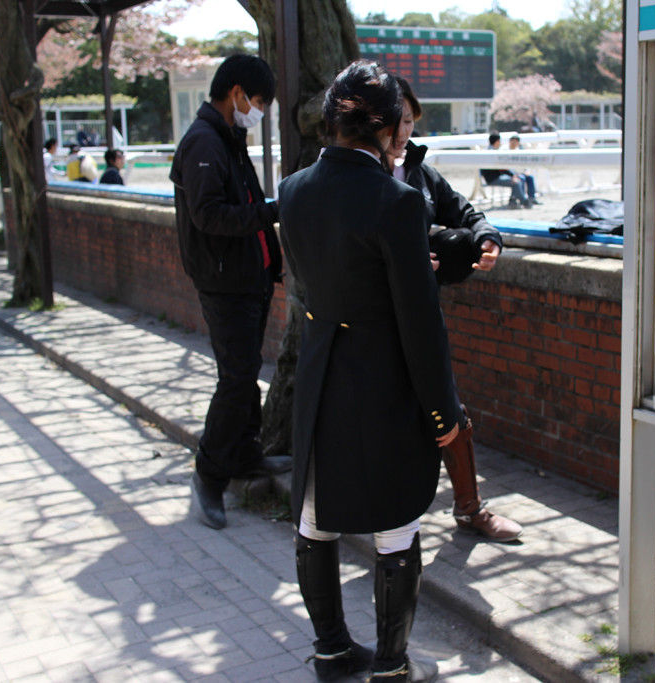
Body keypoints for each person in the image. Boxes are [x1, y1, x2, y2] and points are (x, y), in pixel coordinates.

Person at [279, 61, 461, 682]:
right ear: (385, 129)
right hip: (382, 379)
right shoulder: (397, 201)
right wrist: (443, 411)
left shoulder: (293, 189)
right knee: (396, 521)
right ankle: (390, 664)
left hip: (320, 372)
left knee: (314, 515)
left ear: (333, 119)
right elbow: (420, 320)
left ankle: (331, 651)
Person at [388, 76, 523, 543]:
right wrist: (397, 266)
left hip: (421, 315)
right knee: (382, 418)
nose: (403, 132)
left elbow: (466, 212)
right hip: (371, 322)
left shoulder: (420, 172)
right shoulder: (355, 178)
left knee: (448, 408)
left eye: (409, 121)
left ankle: (469, 508)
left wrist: (487, 238)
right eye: (395, 122)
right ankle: (373, 518)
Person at [170, 54, 290, 531]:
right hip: (224, 282)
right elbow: (210, 215)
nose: (258, 111)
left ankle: (245, 455)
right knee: (236, 378)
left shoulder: (227, 138)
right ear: (236, 93)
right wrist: (273, 211)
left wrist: (271, 258)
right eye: (257, 101)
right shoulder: (204, 141)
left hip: (248, 278)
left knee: (245, 372)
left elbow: (246, 203)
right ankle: (209, 473)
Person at [481, 132, 530, 208]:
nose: (500, 143)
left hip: (493, 177)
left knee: (516, 180)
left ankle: (513, 202)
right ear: (497, 141)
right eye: (499, 141)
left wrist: (512, 175)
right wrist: (512, 175)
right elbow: (501, 167)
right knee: (516, 182)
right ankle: (523, 201)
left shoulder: (488, 150)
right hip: (493, 178)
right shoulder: (493, 152)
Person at [507, 134, 539, 204]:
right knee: (522, 178)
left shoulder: (519, 151)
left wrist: (526, 171)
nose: (514, 143)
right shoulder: (505, 151)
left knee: (530, 177)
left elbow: (525, 164)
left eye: (516, 142)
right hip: (512, 174)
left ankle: (531, 198)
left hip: (521, 172)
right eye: (512, 141)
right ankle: (522, 199)